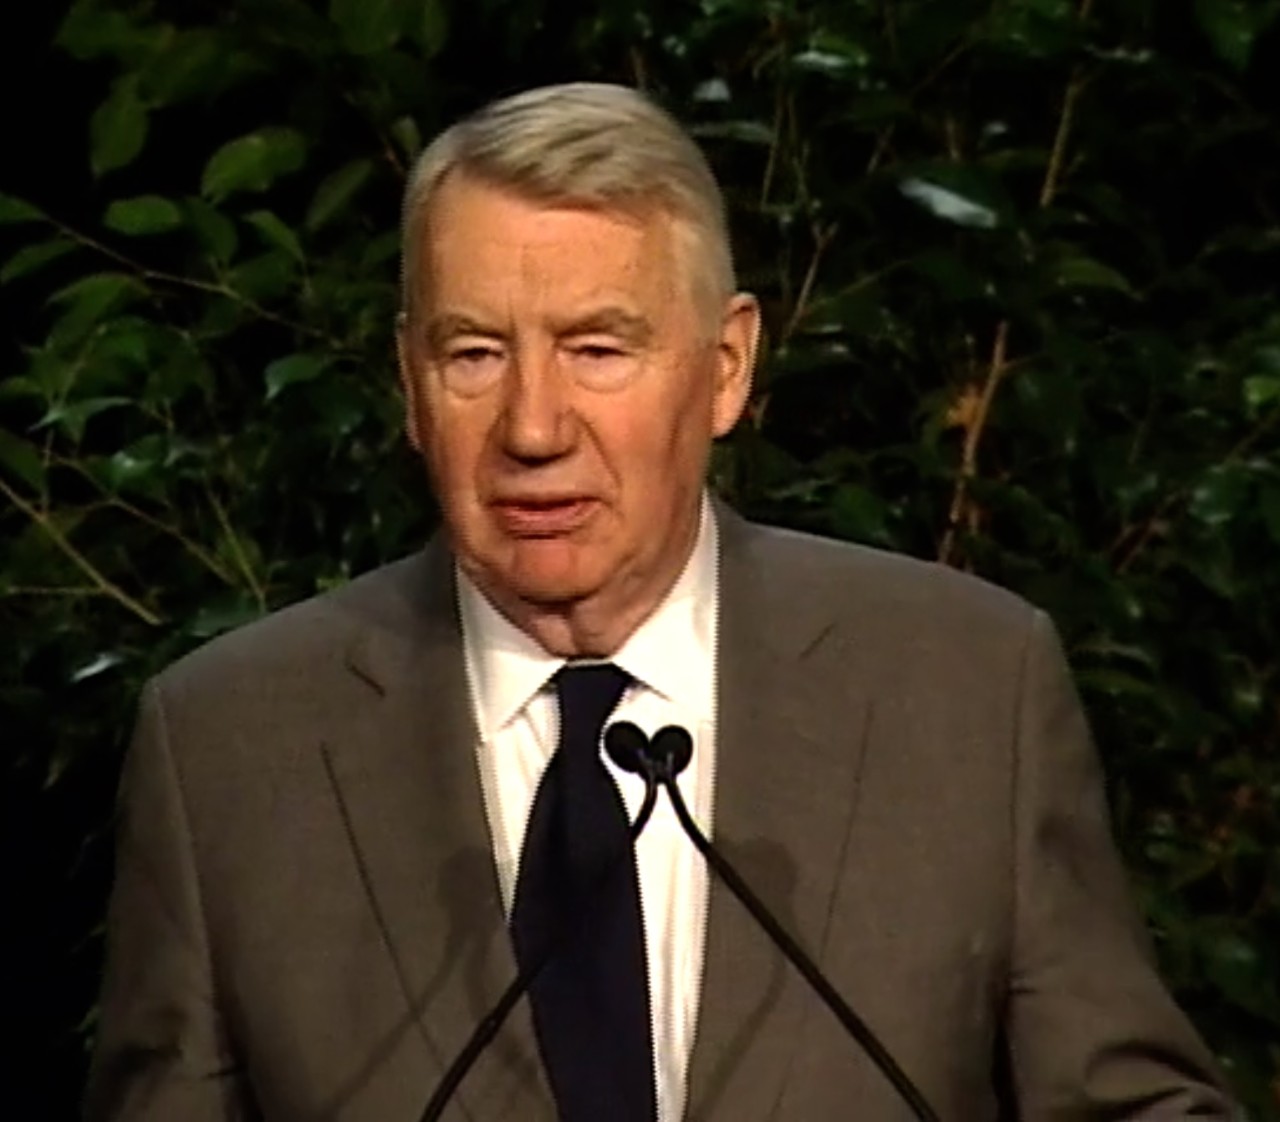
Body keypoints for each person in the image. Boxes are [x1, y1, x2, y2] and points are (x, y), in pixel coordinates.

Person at [85, 82, 1237, 1121]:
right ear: (409, 383)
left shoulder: (966, 688)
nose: (533, 427)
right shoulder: (225, 750)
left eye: (596, 349)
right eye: (474, 354)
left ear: (726, 368)